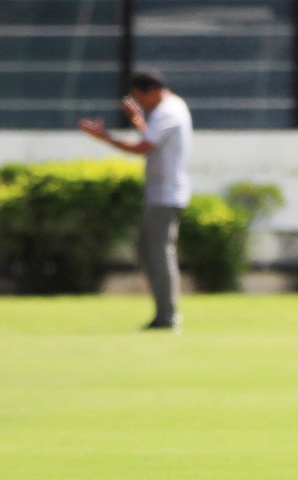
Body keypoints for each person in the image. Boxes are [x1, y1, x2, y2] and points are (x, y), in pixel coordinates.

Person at [79, 70, 193, 330]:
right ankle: (165, 313)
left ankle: (168, 316)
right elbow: (151, 140)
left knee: (160, 254)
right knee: (147, 251)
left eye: (140, 98)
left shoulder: (168, 111)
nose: (140, 104)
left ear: (153, 91)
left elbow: (143, 148)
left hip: (167, 194)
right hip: (161, 194)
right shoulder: (168, 110)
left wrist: (104, 138)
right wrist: (139, 122)